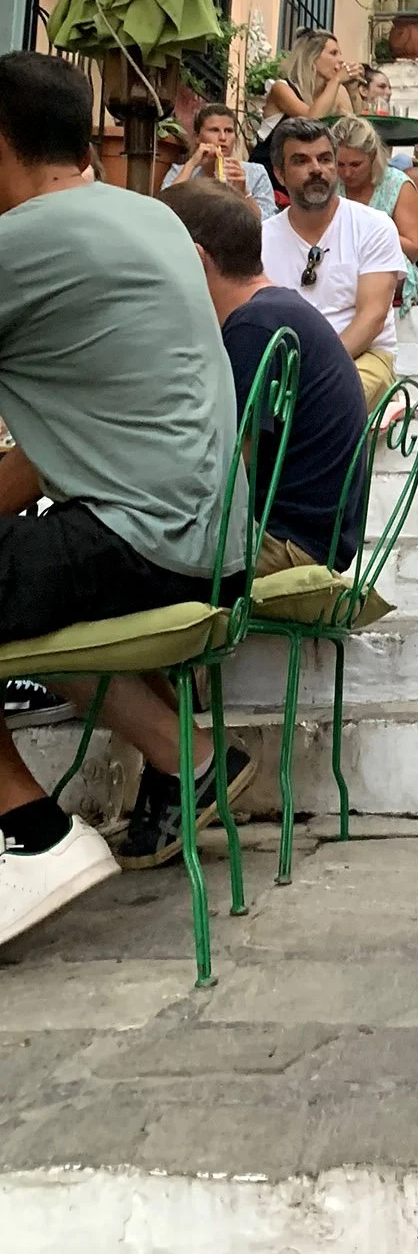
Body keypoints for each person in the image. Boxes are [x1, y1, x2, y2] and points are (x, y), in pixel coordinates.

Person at [0, 54, 250, 947]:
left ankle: (29, 832)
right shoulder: (149, 217)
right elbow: (68, 442)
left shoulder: (22, 242)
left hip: (144, 538)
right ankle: (188, 756)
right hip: (212, 541)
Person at [113, 179, 372, 867]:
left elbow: (225, 475)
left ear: (195, 260)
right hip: (303, 533)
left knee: (98, 585)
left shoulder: (253, 330)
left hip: (286, 544)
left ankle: (187, 764)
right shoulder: (276, 313)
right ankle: (179, 762)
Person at [260, 120, 406, 410]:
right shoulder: (261, 239)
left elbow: (373, 317)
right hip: (286, 366)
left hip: (365, 357)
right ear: (279, 174)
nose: (316, 169)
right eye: (301, 161)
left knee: (325, 402)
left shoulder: (374, 226)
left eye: (325, 159)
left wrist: (313, 370)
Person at [333, 115, 418, 313]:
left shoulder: (397, 184)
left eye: (355, 165)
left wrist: (368, 230)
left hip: (386, 265)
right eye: (340, 165)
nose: (347, 173)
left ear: (372, 157)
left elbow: (414, 248)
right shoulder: (331, 184)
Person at [253, 30, 362, 165]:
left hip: (307, 170)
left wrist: (353, 90)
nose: (341, 60)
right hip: (270, 169)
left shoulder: (331, 94)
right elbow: (311, 121)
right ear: (312, 57)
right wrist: (337, 80)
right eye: (334, 53)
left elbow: (354, 130)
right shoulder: (281, 88)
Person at [162, 101, 276, 220]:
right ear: (197, 137)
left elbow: (268, 221)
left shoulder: (256, 173)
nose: (222, 137)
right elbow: (165, 210)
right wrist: (191, 164)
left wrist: (244, 192)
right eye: (214, 130)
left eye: (229, 131)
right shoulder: (180, 172)